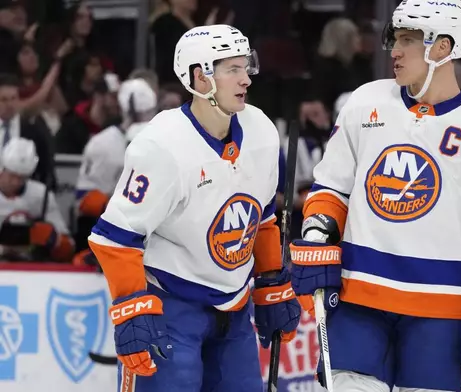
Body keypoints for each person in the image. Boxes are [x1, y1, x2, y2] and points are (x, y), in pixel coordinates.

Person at [288, 1, 461, 391]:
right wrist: (317, 235)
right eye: (394, 39)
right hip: (358, 294)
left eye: (408, 40)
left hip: (442, 307)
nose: (394, 51)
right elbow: (331, 188)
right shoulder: (365, 103)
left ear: (443, 48)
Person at [87, 24, 301, 391]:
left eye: (246, 66)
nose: (246, 78)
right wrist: (131, 308)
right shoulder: (161, 145)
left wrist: (269, 280)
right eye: (232, 69)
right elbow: (115, 239)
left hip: (235, 309)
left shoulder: (262, 132)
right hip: (172, 306)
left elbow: (262, 218)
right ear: (200, 78)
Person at [74, 78, 157, 252]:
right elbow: (84, 201)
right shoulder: (102, 144)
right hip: (112, 235)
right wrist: (122, 208)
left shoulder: (164, 139)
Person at [0, 137, 73, 262]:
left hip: (32, 265)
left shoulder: (41, 195)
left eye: (22, 178)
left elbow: (69, 247)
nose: (16, 182)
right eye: (12, 175)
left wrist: (54, 240)